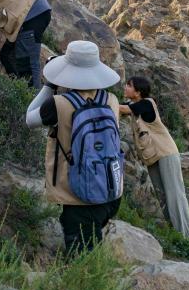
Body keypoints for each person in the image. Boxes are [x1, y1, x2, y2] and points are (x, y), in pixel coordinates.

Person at [25, 41, 123, 254]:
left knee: (81, 256)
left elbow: (29, 118)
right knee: (91, 245)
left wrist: (49, 85)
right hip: (110, 189)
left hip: (77, 195)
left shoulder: (59, 104)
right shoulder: (112, 100)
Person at [119, 76, 189, 241]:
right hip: (152, 157)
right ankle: (176, 233)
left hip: (166, 153)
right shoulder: (134, 104)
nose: (125, 87)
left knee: (174, 193)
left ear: (138, 92)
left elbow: (123, 109)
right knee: (162, 195)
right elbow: (121, 107)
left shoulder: (147, 103)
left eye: (129, 86)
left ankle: (188, 237)